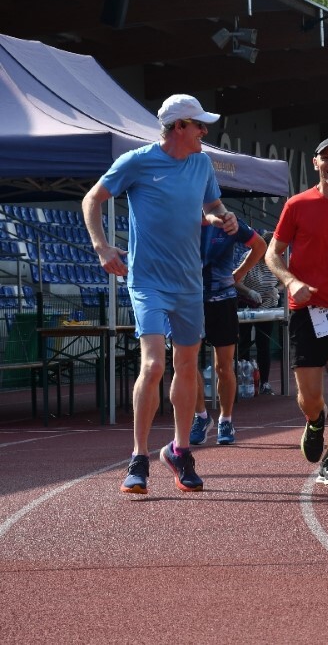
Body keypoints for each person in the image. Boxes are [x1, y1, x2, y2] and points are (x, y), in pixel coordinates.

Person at [82, 93, 238, 494]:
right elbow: (92, 199)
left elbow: (212, 206)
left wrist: (224, 218)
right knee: (153, 366)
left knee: (187, 366)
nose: (206, 131)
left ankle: (180, 450)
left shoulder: (202, 163)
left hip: (189, 282)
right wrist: (102, 247)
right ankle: (138, 458)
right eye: (200, 125)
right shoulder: (137, 161)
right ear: (180, 127)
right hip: (148, 281)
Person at [265, 136, 328, 487]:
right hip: (307, 309)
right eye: (326, 158)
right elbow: (272, 254)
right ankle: (314, 421)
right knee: (310, 397)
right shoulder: (297, 205)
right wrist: (291, 282)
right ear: (316, 164)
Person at [189, 216, 266, 446]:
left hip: (222, 299)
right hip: (190, 300)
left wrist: (239, 273)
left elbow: (260, 245)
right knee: (186, 363)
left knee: (223, 365)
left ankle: (226, 419)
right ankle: (201, 416)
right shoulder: (181, 217)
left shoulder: (228, 221)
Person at [235, 230, 281, 396]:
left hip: (267, 306)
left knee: (264, 344)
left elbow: (284, 280)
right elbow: (236, 281)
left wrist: (277, 289)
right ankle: (244, 381)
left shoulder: (275, 259)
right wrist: (250, 292)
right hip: (247, 304)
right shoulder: (248, 257)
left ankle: (265, 383)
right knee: (244, 342)